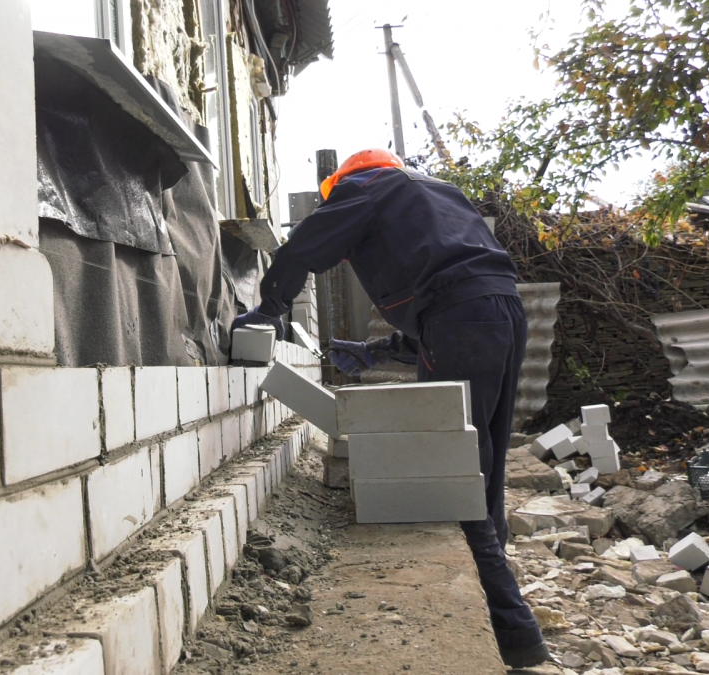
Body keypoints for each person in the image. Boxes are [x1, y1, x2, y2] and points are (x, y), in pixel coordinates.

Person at [231, 149, 549, 668]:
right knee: (482, 464)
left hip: (462, 315)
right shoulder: (439, 195)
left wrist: (269, 309)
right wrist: (375, 350)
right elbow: (456, 310)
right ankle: (505, 615)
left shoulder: (365, 187)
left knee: (450, 471)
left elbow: (303, 249)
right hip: (503, 313)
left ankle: (515, 631)